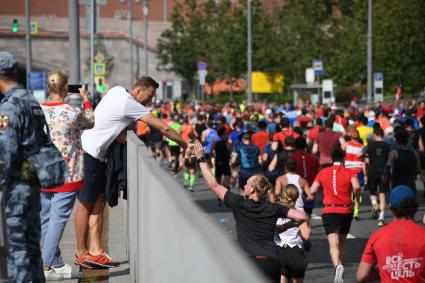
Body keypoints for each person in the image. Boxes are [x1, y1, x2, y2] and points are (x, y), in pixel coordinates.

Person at [75, 76, 186, 268]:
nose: (150, 102)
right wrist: (186, 145)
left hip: (96, 153)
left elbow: (109, 116)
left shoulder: (117, 90)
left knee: (100, 200)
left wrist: (120, 129)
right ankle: (81, 252)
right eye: (149, 96)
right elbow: (164, 128)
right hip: (89, 153)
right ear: (138, 91)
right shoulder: (129, 103)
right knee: (86, 203)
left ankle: (95, 250)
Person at [192, 140, 308, 283]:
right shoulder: (273, 207)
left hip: (248, 263)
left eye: (246, 184)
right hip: (272, 262)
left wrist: (201, 159)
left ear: (252, 190)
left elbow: (214, 185)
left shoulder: (238, 203)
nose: (244, 186)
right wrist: (285, 226)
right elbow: (302, 216)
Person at [40, 71, 94, 279]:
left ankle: (57, 264)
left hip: (43, 171)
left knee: (46, 219)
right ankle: (44, 267)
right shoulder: (72, 112)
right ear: (65, 89)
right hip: (67, 172)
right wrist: (86, 99)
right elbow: (90, 122)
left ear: (48, 88)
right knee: (58, 219)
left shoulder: (38, 110)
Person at [0, 51, 46, 282]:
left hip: (15, 189)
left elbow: (5, 153)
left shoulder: (9, 107)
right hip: (33, 185)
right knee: (33, 249)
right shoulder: (31, 100)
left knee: (16, 251)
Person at [309, 147, 361, 283]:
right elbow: (356, 187)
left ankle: (337, 267)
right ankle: (341, 268)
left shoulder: (323, 172)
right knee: (343, 241)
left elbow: (312, 189)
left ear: (332, 159)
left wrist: (323, 190)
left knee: (333, 244)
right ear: (343, 158)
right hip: (346, 210)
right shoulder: (350, 172)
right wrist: (357, 198)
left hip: (329, 211)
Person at [356, 185, 425, 282]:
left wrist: (387, 268)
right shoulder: (423, 235)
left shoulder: (377, 236)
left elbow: (362, 275)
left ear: (390, 208)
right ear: (415, 208)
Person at [274, 184, 311, 283]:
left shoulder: (275, 211)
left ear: (282, 195)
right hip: (295, 253)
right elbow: (306, 235)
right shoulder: (300, 214)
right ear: (297, 196)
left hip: (278, 252)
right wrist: (308, 223)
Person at [360, 127, 391, 226]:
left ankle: (374, 204)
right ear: (382, 135)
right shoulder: (388, 146)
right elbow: (391, 158)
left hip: (372, 171)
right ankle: (381, 218)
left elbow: (359, 154)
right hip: (384, 172)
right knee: (382, 194)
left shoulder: (369, 145)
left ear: (375, 135)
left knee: (372, 191)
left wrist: (365, 159)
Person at [288, 137, 319, 215]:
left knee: (295, 213)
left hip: (295, 188)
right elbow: (318, 173)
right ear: (305, 145)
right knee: (308, 214)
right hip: (310, 188)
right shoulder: (314, 158)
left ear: (295, 146)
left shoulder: (291, 158)